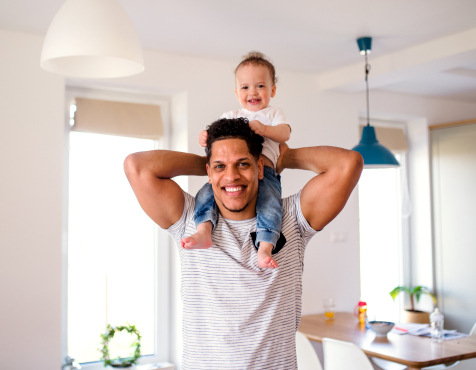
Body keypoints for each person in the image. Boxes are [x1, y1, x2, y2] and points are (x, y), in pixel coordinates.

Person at [124, 118, 362, 369]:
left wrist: (284, 159)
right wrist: (213, 164)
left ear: (260, 167)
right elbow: (137, 166)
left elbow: (349, 164)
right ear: (208, 171)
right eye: (219, 167)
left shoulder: (292, 218)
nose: (232, 176)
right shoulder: (190, 219)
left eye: (242, 164)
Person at [184, 52, 290, 270]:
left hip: (267, 173)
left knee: (270, 205)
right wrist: (204, 137)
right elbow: (217, 138)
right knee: (205, 194)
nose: (252, 92)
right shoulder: (231, 114)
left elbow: (285, 133)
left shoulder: (273, 113)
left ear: (273, 90)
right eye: (245, 87)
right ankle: (204, 230)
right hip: (243, 174)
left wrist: (265, 129)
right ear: (236, 92)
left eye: (260, 86)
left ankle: (265, 246)